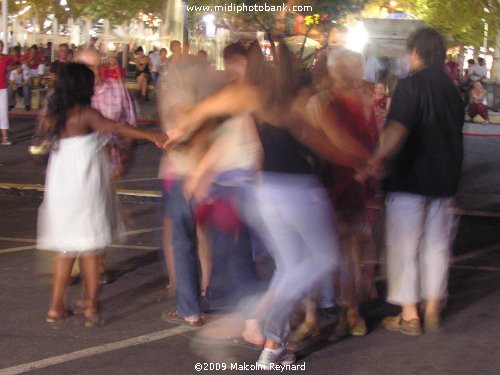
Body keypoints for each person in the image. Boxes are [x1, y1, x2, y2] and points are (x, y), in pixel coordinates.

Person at [167, 42, 371, 368]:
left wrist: (186, 123)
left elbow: (216, 105)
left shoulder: (259, 98)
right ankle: (262, 311)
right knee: (324, 256)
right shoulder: (301, 99)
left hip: (266, 192)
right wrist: (360, 159)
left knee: (289, 266)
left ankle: (272, 349)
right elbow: (325, 142)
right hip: (300, 191)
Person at [36, 62, 167, 327]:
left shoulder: (55, 114)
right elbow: (115, 128)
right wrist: (152, 135)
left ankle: (55, 307)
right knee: (92, 249)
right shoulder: (85, 113)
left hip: (61, 189)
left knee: (66, 249)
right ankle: (92, 307)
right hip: (85, 188)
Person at [360, 27, 465, 335]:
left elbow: (396, 131)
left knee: (404, 248)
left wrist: (373, 161)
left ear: (414, 52)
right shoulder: (452, 90)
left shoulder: (409, 86)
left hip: (410, 180)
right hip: (445, 180)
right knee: (436, 246)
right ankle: (432, 306)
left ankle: (409, 315)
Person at [0, 40, 13, 145]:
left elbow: (10, 68)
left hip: (3, 87)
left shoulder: (7, 58)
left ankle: (4, 137)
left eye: (1, 46)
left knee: (3, 112)